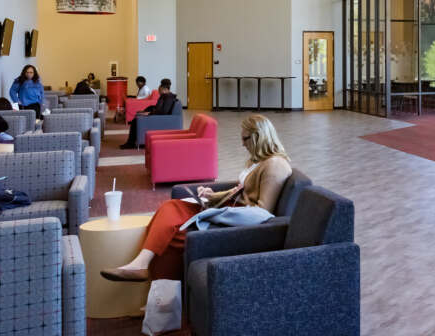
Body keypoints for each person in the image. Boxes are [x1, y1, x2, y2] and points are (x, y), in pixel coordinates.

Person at [101, 114, 293, 282]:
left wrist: (219, 210)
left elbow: (263, 211)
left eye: (245, 139)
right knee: (170, 207)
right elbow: (239, 190)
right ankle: (143, 267)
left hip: (235, 217)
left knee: (173, 232)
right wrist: (212, 196)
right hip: (228, 207)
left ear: (258, 136)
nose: (242, 144)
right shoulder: (258, 161)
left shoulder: (275, 165)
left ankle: (154, 286)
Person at [119, 79, 178, 149]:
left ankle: (130, 144)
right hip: (157, 116)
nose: (159, 93)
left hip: (159, 119)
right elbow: (157, 108)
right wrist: (146, 111)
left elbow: (163, 112)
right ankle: (132, 142)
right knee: (136, 119)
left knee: (135, 122)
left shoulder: (168, 98)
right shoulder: (165, 96)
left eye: (159, 91)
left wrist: (149, 113)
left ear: (164, 89)